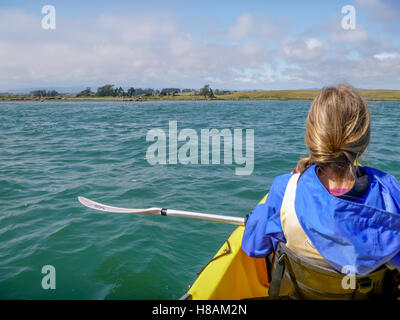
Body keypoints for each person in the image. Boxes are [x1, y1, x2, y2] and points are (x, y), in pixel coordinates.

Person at [241, 84, 400, 286]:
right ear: (363, 139)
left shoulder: (286, 189)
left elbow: (255, 245)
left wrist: (259, 216)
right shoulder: (389, 191)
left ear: (311, 135)